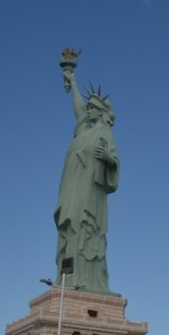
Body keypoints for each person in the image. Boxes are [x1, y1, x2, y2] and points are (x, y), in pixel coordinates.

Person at [55, 60, 120, 294]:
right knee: (69, 226)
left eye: (93, 108)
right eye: (89, 107)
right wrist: (72, 80)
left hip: (90, 190)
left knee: (86, 229)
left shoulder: (104, 133)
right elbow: (78, 110)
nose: (88, 111)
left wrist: (108, 160)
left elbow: (115, 162)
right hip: (72, 186)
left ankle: (89, 281)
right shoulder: (84, 130)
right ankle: (66, 278)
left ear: (102, 112)